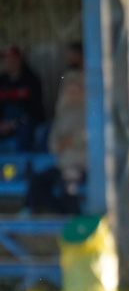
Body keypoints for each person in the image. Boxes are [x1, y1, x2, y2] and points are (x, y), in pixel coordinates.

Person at [23, 46, 87, 215]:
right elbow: (53, 142)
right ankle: (56, 215)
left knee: (69, 186)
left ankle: (76, 222)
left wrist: (72, 140)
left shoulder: (93, 111)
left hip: (85, 165)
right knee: (36, 182)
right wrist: (62, 144)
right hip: (63, 163)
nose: (72, 93)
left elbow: (90, 136)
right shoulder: (63, 113)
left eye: (76, 90)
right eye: (69, 90)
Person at [0, 45, 45, 151]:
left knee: (25, 129)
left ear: (20, 60)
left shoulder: (31, 79)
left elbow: (35, 108)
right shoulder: (2, 81)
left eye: (12, 58)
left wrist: (14, 123)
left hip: (25, 122)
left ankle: (22, 164)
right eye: (6, 59)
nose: (9, 61)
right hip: (4, 123)